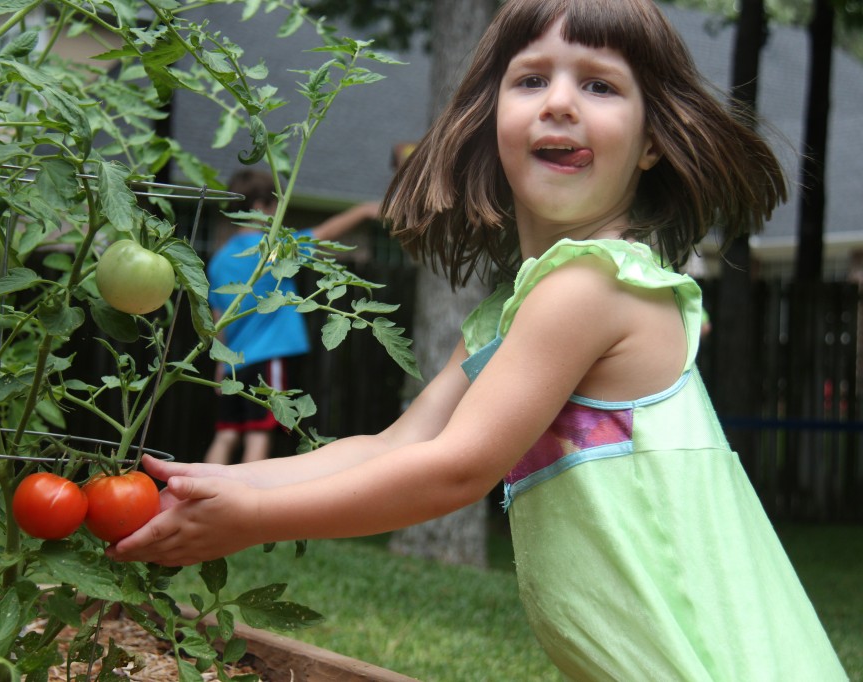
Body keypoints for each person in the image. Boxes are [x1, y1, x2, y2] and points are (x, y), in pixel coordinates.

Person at [110, 1, 848, 678]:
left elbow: (455, 472)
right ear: (492, 121)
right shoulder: (524, 304)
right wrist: (219, 486)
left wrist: (253, 521)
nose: (559, 101)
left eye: (600, 86)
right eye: (531, 80)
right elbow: (396, 446)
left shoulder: (590, 288)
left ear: (654, 140)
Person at [203, 169, 379, 465]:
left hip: (234, 365)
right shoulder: (272, 252)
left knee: (226, 435)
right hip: (267, 356)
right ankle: (245, 505)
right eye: (275, 206)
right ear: (261, 206)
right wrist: (362, 211)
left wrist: (221, 363)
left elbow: (216, 318)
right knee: (259, 434)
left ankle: (194, 496)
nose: (277, 215)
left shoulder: (219, 261)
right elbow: (323, 235)